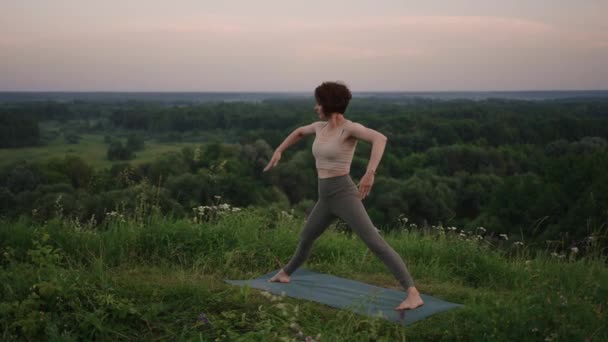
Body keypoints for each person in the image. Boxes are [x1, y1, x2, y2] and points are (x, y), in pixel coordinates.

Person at [262, 81, 424, 311]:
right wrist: (279, 150)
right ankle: (285, 273)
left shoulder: (349, 129)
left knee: (375, 244)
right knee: (307, 236)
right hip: (325, 198)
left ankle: (412, 292)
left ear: (327, 104)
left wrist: (370, 173)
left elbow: (380, 139)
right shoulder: (320, 127)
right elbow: (299, 132)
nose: (315, 108)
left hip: (344, 195)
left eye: (318, 103)